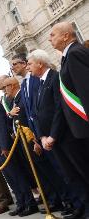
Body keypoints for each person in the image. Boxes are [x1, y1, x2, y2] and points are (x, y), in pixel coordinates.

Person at [27, 49, 86, 217]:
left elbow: (59, 109)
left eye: (30, 64)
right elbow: (39, 113)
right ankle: (81, 205)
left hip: (64, 136)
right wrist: (42, 136)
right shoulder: (39, 84)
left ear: (40, 63)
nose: (28, 67)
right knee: (69, 176)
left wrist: (52, 135)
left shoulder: (55, 77)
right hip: (50, 140)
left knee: (78, 172)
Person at [0, 87, 38, 217]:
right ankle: (21, 203)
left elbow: (1, 128)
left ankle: (30, 203)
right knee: (10, 179)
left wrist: (4, 147)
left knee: (16, 176)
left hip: (3, 149)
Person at [49, 22, 89, 218]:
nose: (50, 38)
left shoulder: (74, 54)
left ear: (65, 36)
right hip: (79, 128)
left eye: (53, 35)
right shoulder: (68, 57)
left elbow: (85, 90)